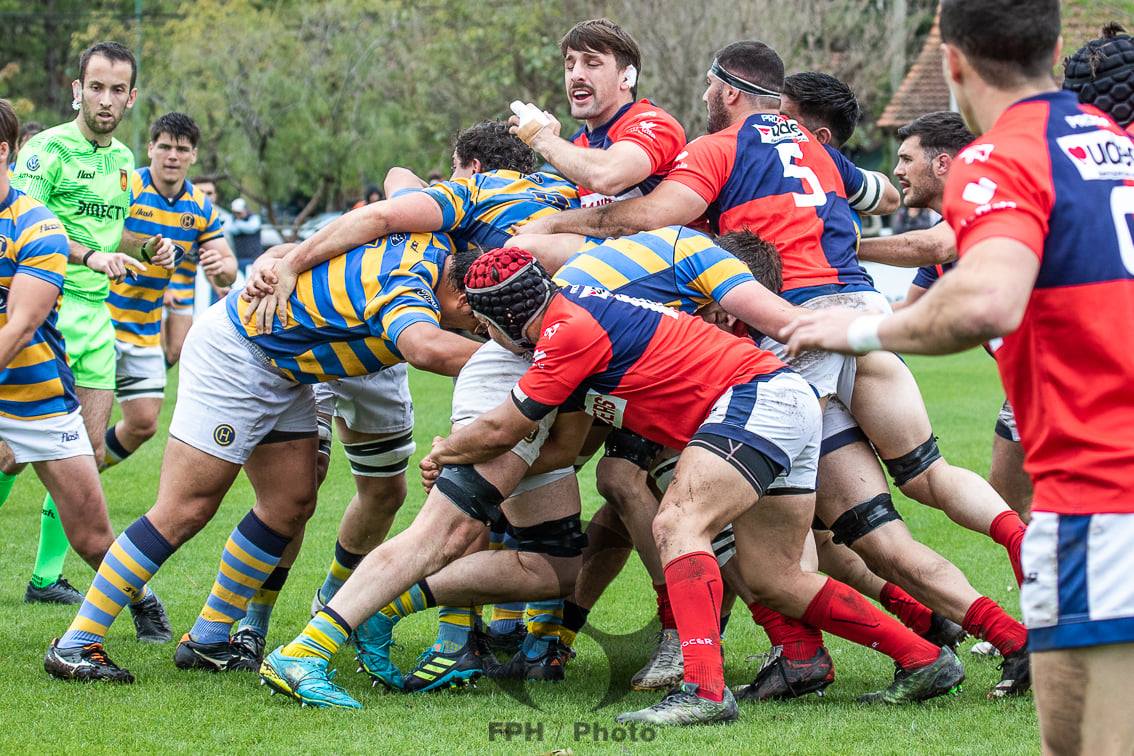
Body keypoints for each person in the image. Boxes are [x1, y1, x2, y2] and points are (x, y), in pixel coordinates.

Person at [517, 40, 1031, 698]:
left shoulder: (718, 148)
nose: (704, 100)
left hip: (796, 334)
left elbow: (651, 214)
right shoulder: (818, 150)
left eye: (709, 89)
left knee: (748, 541)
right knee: (902, 499)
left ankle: (770, 660)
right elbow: (877, 196)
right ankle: (1016, 633)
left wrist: (570, 219)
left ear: (730, 91)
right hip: (861, 315)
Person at [782, 0, 1134, 750]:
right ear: (1054, 45)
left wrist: (855, 327)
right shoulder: (1109, 142)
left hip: (1104, 499)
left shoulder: (998, 155)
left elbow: (986, 300)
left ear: (952, 62)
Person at [414, 249, 962, 725]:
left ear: (507, 319)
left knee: (677, 523)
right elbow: (556, 450)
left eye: (485, 328)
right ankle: (923, 658)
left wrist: (443, 452)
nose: (487, 340)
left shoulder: (562, 333)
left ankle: (702, 689)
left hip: (756, 398)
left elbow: (504, 428)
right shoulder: (570, 310)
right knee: (776, 577)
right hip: (780, 400)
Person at [44, 226, 482, 683]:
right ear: (460, 297)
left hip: (284, 368)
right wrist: (529, 363)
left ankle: (210, 638)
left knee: (290, 504)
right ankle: (77, 642)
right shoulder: (411, 289)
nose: (473, 331)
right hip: (237, 354)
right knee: (185, 508)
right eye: (474, 322)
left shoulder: (433, 245)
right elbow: (425, 347)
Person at [506, 17, 688, 676]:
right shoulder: (588, 142)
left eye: (592, 62)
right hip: (614, 340)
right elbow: (606, 214)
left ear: (627, 74)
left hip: (669, 341)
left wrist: (545, 141)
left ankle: (684, 635)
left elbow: (618, 184)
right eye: (570, 64)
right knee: (594, 482)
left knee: (621, 480)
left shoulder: (649, 126)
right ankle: (547, 632)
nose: (577, 75)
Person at [10, 42, 175, 632]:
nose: (105, 100)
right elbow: (24, 231)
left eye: (117, 90)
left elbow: (117, 230)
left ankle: (48, 576)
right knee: (7, 456)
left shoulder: (124, 158)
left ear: (131, 97)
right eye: (95, 87)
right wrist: (90, 254)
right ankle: (66, 579)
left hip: (95, 319)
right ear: (76, 90)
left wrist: (145, 247)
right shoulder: (44, 150)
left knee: (90, 451)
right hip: (42, 313)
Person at [0, 100, 139, 655]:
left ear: (3, 151)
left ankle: (141, 599)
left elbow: (22, 324)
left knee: (92, 537)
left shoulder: (38, 225)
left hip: (38, 399)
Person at [103, 113, 236, 469]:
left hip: (145, 330)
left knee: (144, 423)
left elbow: (227, 269)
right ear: (150, 149)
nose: (172, 156)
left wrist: (222, 270)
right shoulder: (128, 186)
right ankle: (71, 486)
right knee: (80, 423)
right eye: (164, 147)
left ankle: (81, 473)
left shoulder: (200, 206)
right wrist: (144, 246)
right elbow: (102, 234)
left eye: (181, 149)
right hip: (103, 318)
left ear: (193, 155)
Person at [228, 197, 262, 278]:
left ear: (245, 209)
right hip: (239, 259)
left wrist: (238, 225)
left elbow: (252, 228)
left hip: (254, 258)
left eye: (239, 212)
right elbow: (230, 229)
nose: (237, 215)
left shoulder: (254, 218)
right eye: (235, 213)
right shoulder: (232, 219)